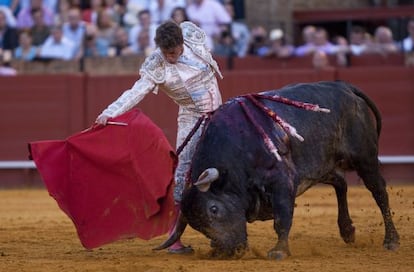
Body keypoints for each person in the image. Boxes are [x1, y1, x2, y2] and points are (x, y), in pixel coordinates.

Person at [95, 20, 223, 254]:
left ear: (182, 43)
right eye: (165, 53)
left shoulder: (193, 37)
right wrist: (109, 112)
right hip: (192, 118)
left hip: (222, 114)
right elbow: (136, 92)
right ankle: (174, 238)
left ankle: (226, 227)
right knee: (182, 174)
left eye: (173, 52)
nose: (170, 58)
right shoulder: (157, 64)